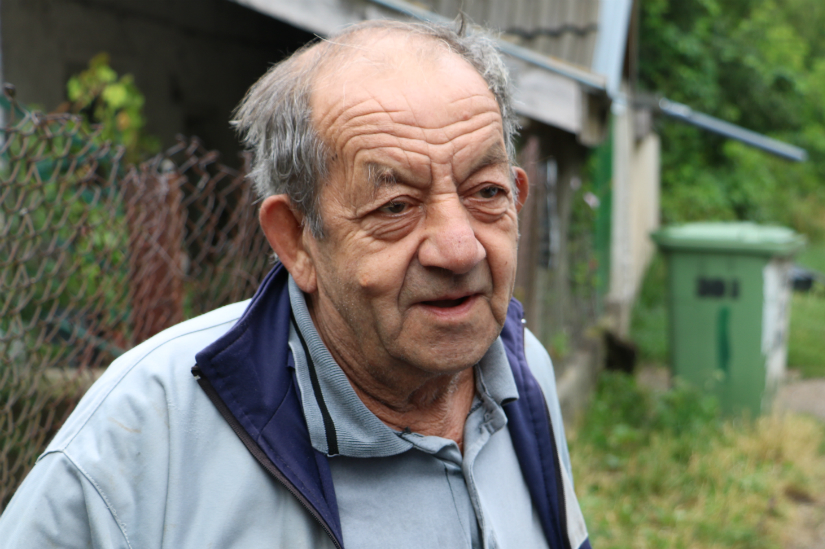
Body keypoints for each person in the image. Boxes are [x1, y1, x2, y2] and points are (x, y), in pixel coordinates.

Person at [0, 19, 591, 549]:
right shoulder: (146, 437)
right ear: (296, 240)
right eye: (394, 207)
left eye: (485, 193)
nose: (459, 249)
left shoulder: (521, 370)